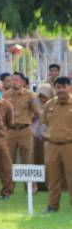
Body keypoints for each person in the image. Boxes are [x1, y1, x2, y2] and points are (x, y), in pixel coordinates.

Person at [42, 77, 72, 212]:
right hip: (52, 145)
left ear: (69, 88)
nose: (60, 90)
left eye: (63, 87)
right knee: (53, 177)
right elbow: (45, 123)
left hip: (69, 145)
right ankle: (53, 205)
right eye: (58, 87)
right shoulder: (50, 104)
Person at [7, 72, 40, 172]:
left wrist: (28, 122)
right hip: (10, 130)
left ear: (22, 82)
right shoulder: (5, 96)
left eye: (17, 80)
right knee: (8, 159)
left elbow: (37, 113)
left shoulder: (30, 95)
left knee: (28, 158)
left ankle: (30, 186)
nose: (14, 82)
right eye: (12, 79)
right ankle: (9, 187)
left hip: (25, 130)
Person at [33, 83, 55, 191]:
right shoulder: (35, 105)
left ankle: (49, 184)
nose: (42, 98)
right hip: (36, 137)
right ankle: (39, 185)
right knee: (38, 160)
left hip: (50, 138)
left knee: (50, 162)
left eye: (45, 95)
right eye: (40, 96)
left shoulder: (54, 105)